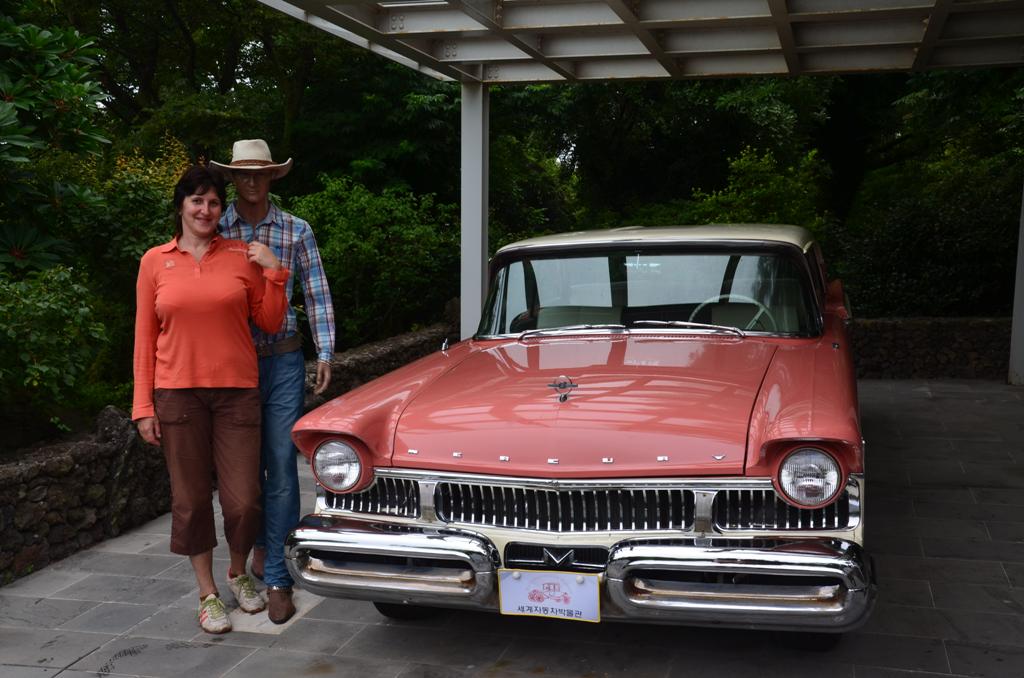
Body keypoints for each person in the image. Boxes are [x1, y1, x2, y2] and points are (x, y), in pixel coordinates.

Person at [132, 165, 289, 634]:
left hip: (238, 393)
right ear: (181, 206)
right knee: (191, 500)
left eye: (214, 202)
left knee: (244, 500)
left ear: (222, 210)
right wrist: (143, 407)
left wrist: (274, 272)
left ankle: (238, 571)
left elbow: (271, 322)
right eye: (197, 201)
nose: (206, 210)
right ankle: (207, 594)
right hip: (178, 396)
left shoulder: (242, 255)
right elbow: (144, 337)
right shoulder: (154, 261)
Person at [211, 139, 335, 624]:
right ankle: (260, 546)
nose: (252, 181)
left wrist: (325, 350)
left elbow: (318, 291)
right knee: (244, 470)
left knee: (282, 463)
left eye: (260, 174)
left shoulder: (295, 229)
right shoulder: (218, 230)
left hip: (283, 360)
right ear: (233, 179)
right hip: (235, 361)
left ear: (272, 178)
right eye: (244, 174)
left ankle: (280, 577)